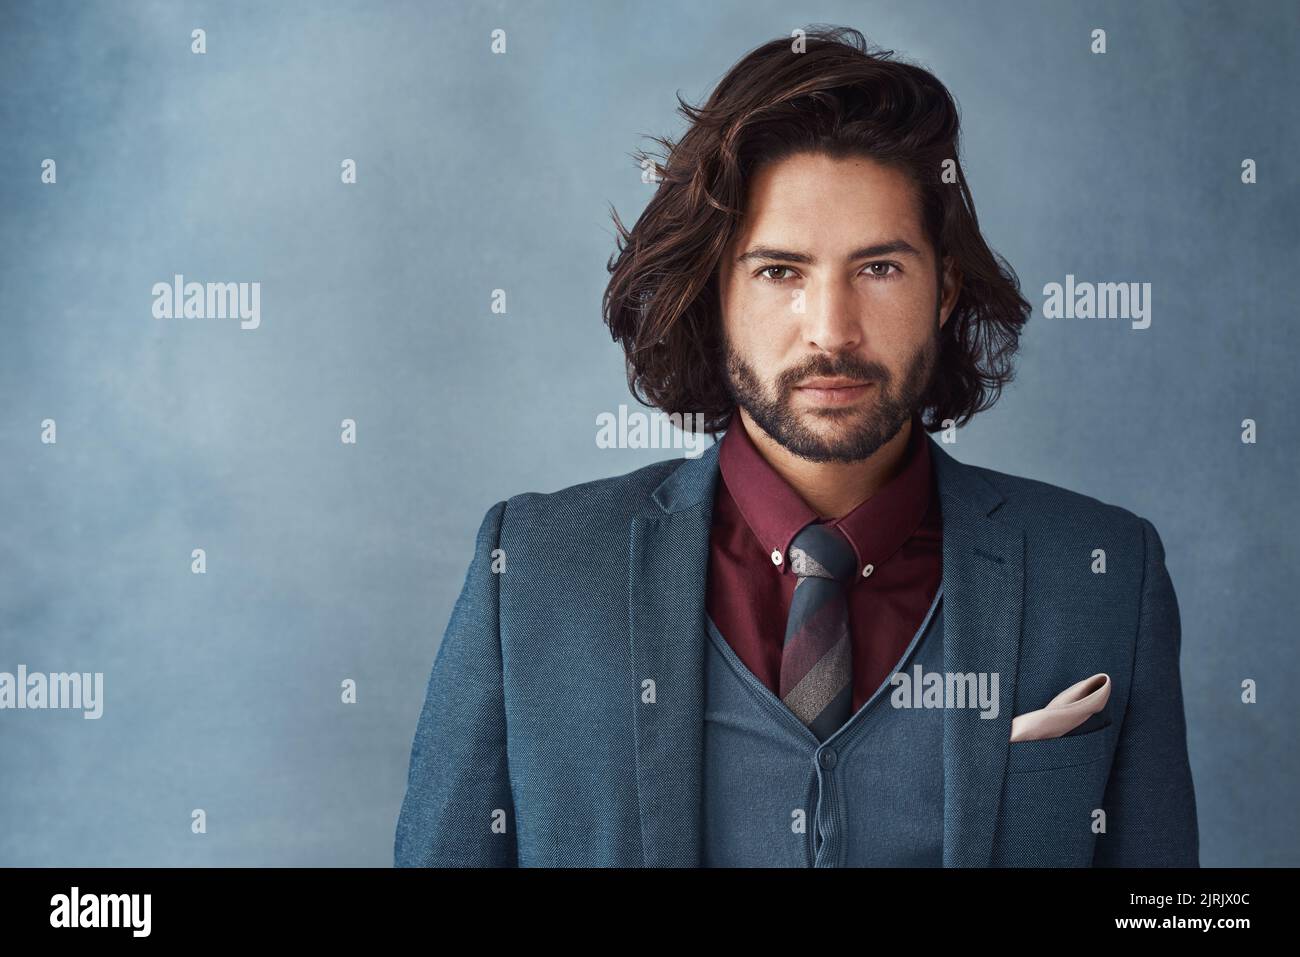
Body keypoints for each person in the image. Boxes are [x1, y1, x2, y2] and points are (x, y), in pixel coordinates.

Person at [394, 26, 1198, 867]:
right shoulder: (532, 571)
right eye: (780, 271)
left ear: (945, 287)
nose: (832, 330)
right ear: (715, 290)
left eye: (879, 268)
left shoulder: (1105, 572)